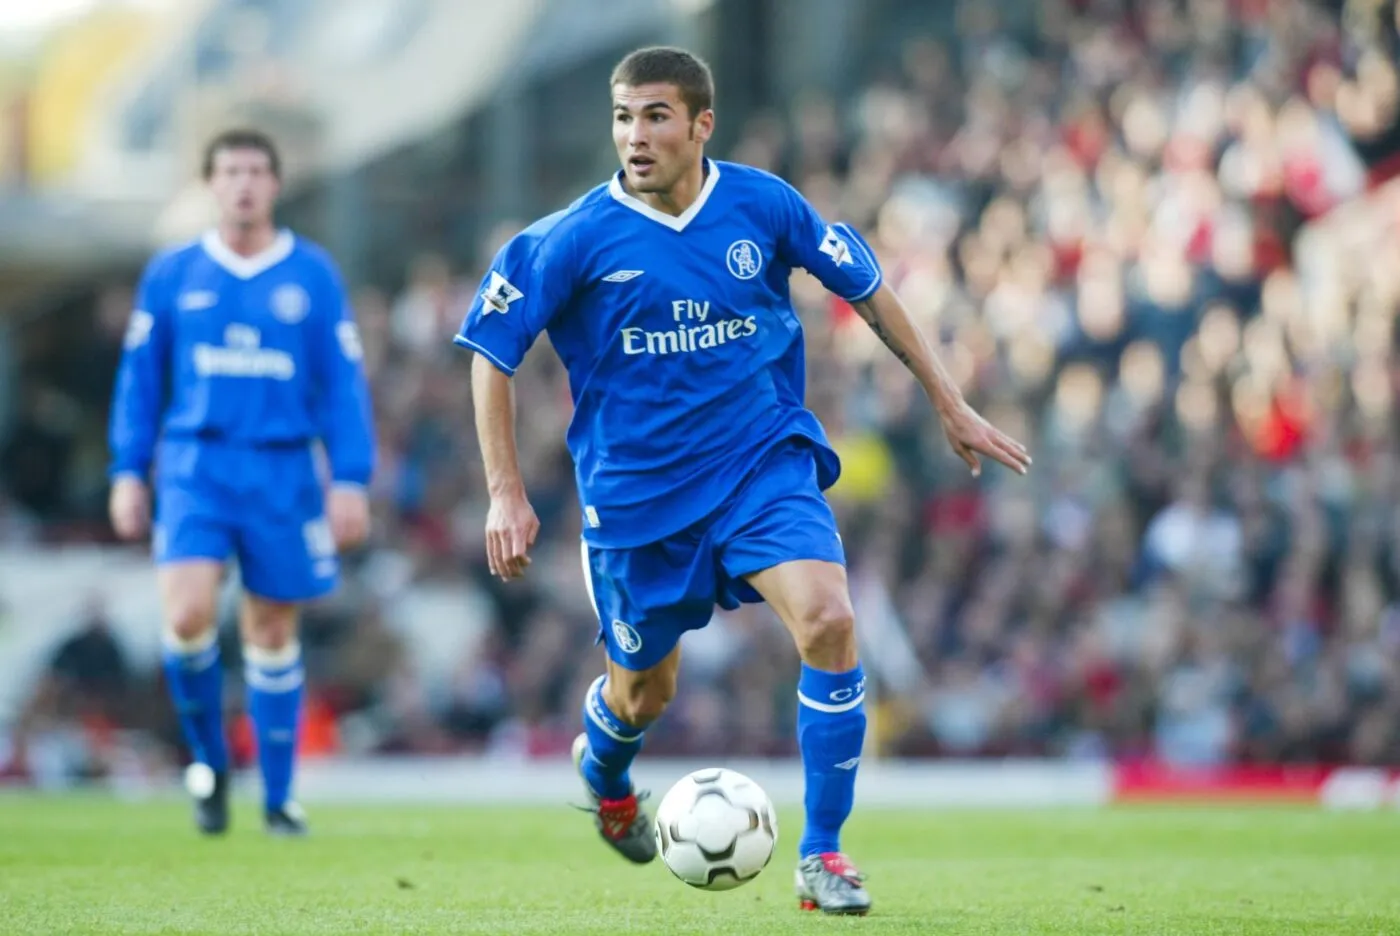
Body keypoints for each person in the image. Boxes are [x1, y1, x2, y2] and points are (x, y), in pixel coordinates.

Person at [456, 47, 1029, 915]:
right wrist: (505, 490)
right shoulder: (573, 236)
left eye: (654, 116)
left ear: (700, 124)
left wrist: (948, 402)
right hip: (639, 505)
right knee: (644, 694)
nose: (634, 136)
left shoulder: (763, 205)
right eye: (623, 117)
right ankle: (604, 768)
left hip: (761, 467)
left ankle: (822, 856)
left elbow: (869, 288)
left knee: (832, 619)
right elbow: (491, 354)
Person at [107, 129, 375, 837]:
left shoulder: (312, 273)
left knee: (270, 627)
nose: (245, 184)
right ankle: (207, 764)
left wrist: (350, 477)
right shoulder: (173, 273)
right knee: (189, 614)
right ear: (210, 184)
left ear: (276, 184)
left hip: (283, 467)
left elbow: (342, 384)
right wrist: (127, 470)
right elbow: (139, 382)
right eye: (231, 171)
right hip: (197, 463)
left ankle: (280, 798)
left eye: (257, 170)